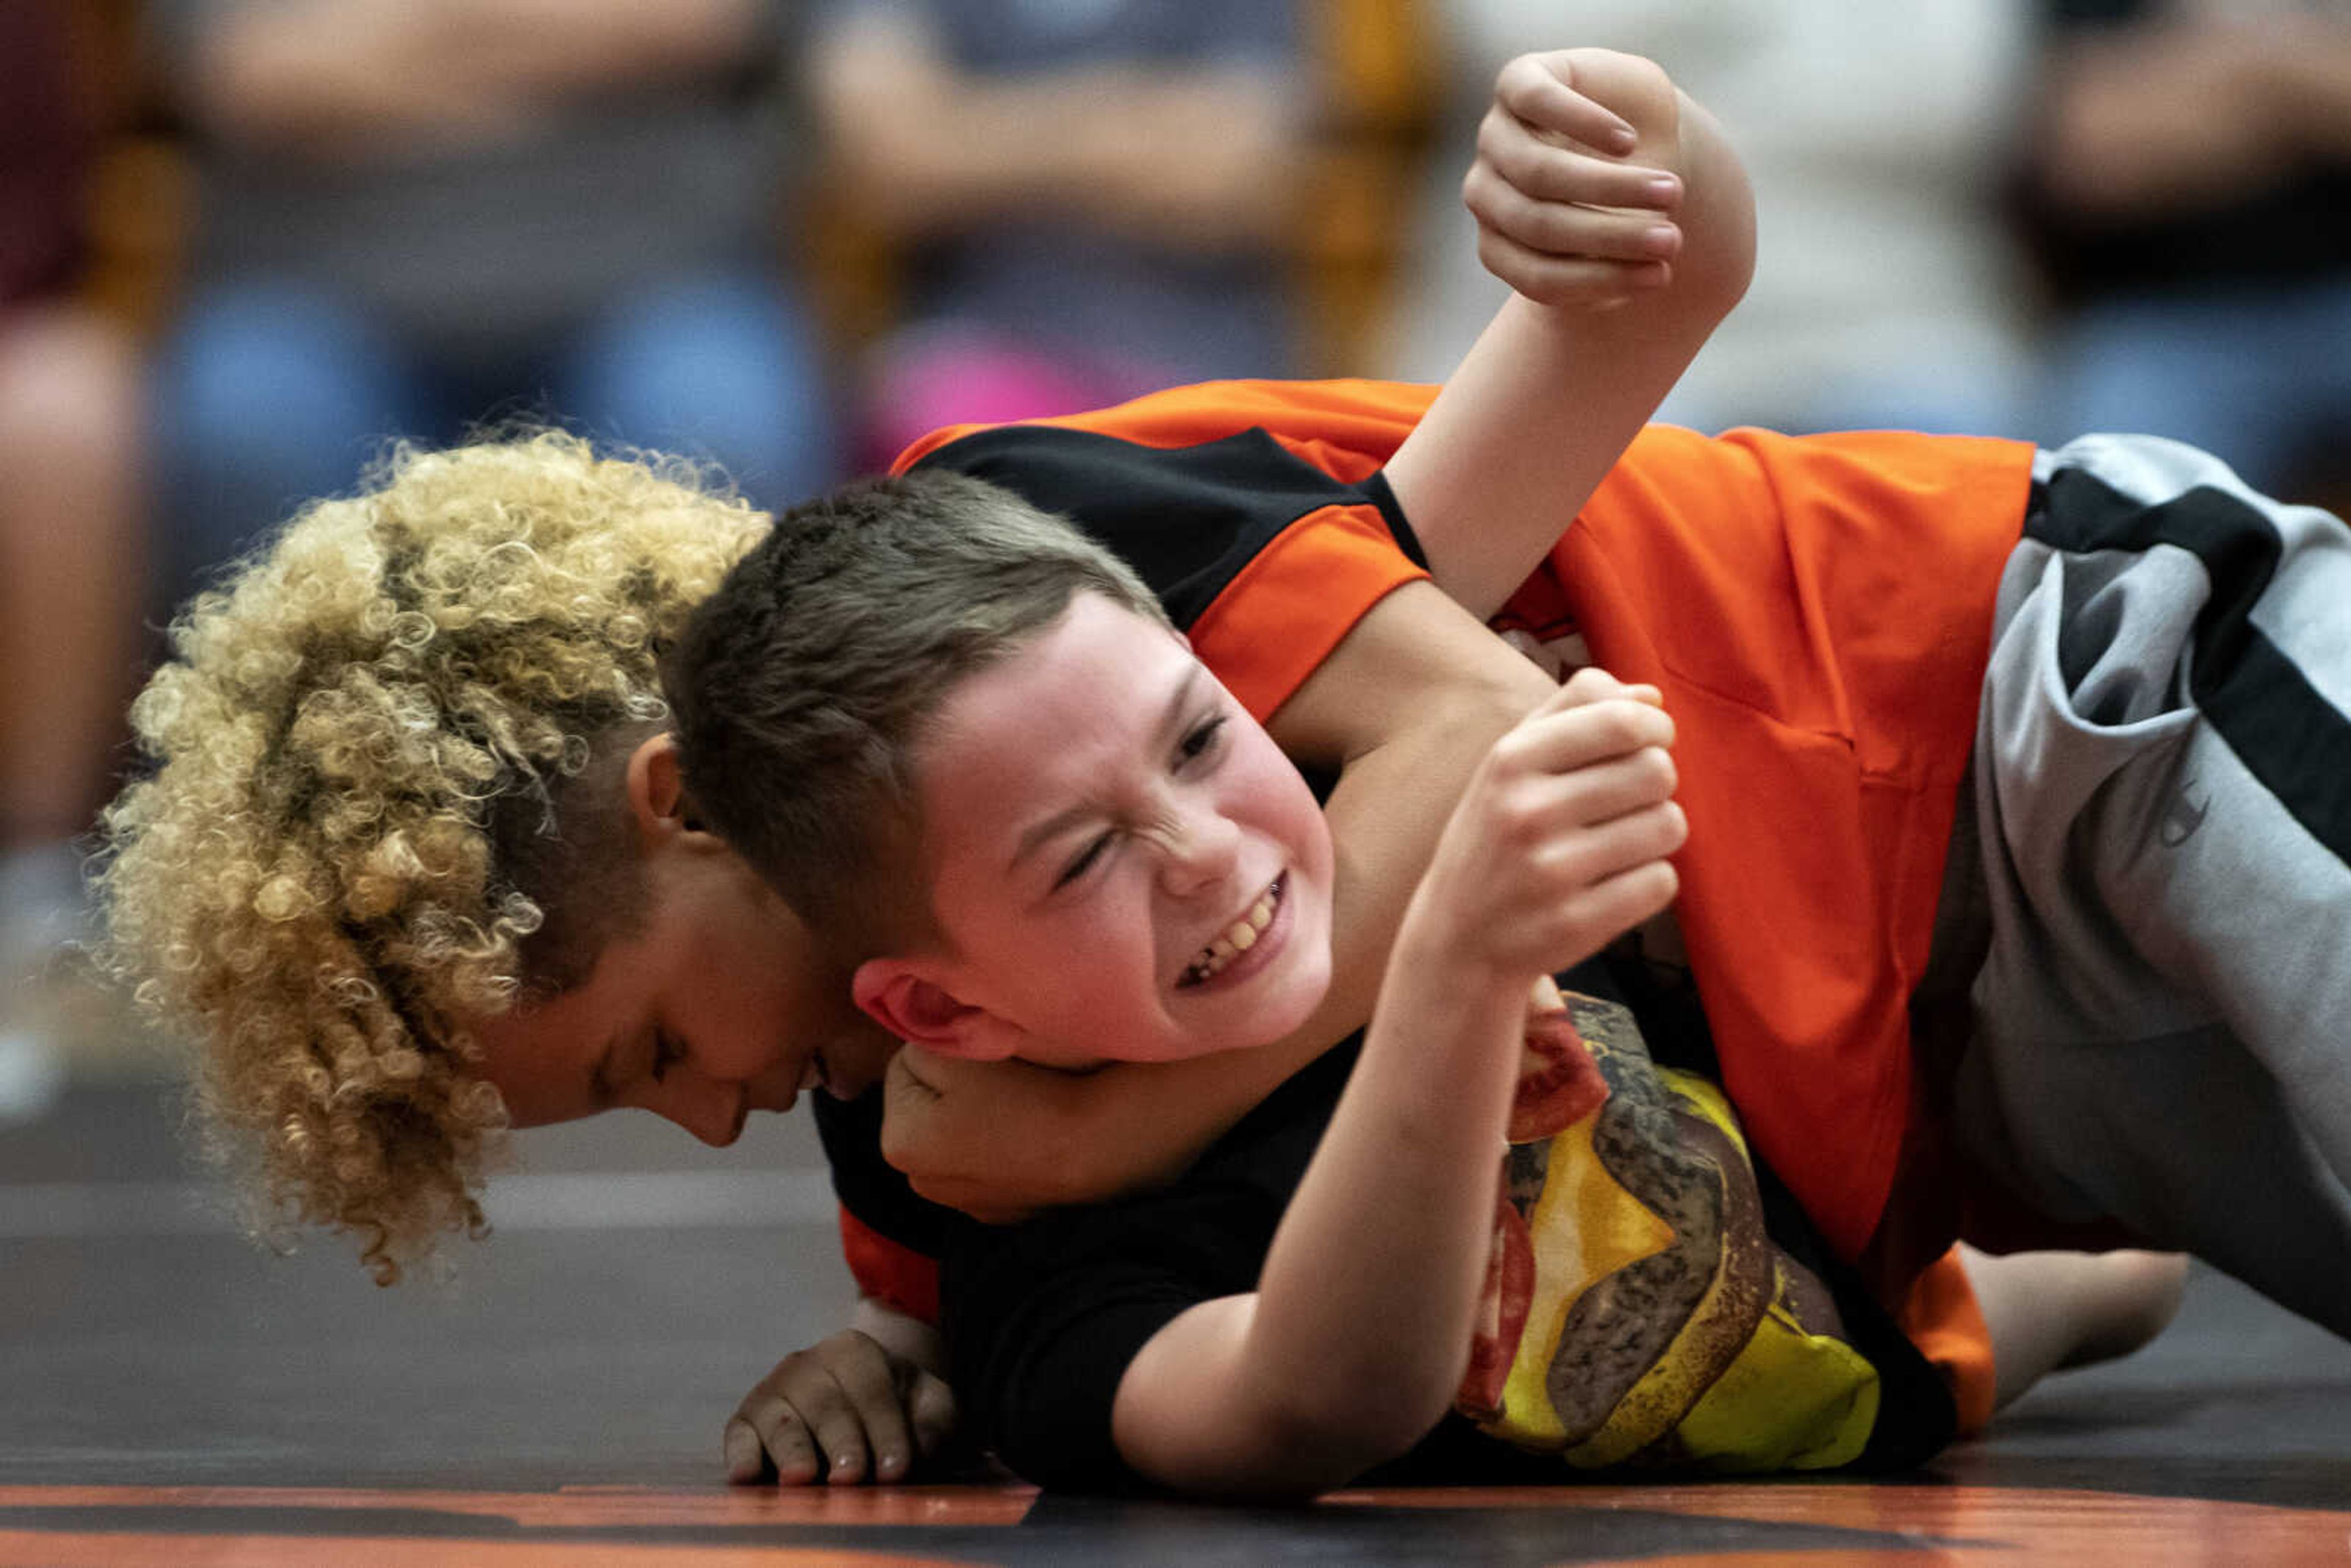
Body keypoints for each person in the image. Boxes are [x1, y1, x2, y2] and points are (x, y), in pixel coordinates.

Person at [93, 45, 2181, 1490]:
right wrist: (898, 1354)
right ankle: (2094, 1250)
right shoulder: (902, 1057)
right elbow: (1038, 1278)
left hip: (1948, 678)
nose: (719, 1120)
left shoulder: (1016, 581)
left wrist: (1107, 1141)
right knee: (1994, 1283)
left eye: (649, 1059)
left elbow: (1474, 714)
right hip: (1826, 1078)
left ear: (684, 808)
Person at [148, 0, 839, 597]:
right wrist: (574, 60)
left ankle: (693, 748)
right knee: (251, 430)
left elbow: (707, 24)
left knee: (721, 427)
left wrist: (405, 49)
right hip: (316, 300)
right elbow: (257, 81)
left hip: (662, 286)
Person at [804, 0, 1312, 467]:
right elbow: (892, 165)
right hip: (974, 355)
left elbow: (1237, 178)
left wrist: (975, 136)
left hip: (1198, 366)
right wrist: (1122, 119)